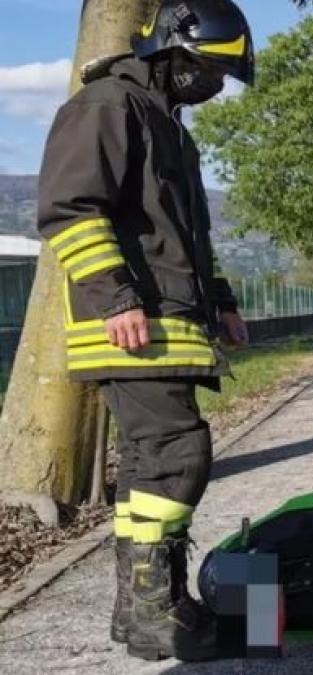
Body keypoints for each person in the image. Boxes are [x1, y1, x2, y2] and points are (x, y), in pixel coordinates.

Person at [35, 0, 254, 661]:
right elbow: (69, 209)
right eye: (208, 70)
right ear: (173, 49)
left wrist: (220, 300)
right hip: (132, 325)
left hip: (165, 324)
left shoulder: (169, 127)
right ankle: (162, 613)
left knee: (147, 466)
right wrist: (114, 297)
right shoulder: (108, 105)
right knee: (178, 453)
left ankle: (141, 611)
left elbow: (186, 239)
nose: (214, 86)